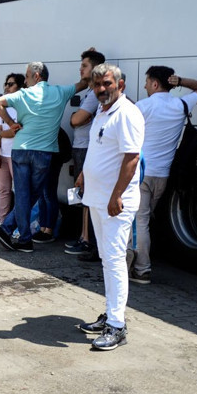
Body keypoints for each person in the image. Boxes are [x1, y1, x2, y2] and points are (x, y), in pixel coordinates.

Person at [75, 63, 145, 351]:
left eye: (107, 84)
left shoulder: (127, 113)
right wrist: (83, 175)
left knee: (115, 260)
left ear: (121, 85)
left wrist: (117, 195)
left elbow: (132, 158)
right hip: (98, 199)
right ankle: (111, 314)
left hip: (115, 203)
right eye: (97, 85)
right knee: (107, 259)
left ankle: (117, 326)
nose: (101, 89)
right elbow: (98, 148)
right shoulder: (103, 112)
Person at [0, 62, 87, 252]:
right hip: (44, 152)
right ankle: (15, 233)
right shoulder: (60, 92)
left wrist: (11, 123)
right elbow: (83, 83)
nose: (24, 81)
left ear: (36, 76)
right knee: (32, 194)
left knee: (24, 194)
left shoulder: (23, 94)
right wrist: (91, 62)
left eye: (26, 77)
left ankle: (15, 233)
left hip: (20, 150)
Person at [130, 66, 197, 284]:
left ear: (155, 84)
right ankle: (137, 259)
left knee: (140, 221)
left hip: (142, 173)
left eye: (147, 82)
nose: (145, 85)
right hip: (163, 176)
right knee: (143, 220)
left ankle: (141, 268)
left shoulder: (142, 106)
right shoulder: (181, 104)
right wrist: (181, 81)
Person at [66, 48, 106, 259]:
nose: (80, 69)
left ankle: (87, 240)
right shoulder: (89, 92)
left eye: (84, 66)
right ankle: (84, 237)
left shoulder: (93, 96)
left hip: (85, 148)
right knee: (81, 195)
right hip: (81, 146)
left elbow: (75, 121)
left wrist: (77, 116)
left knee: (85, 196)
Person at [0, 73, 25, 225]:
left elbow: (13, 132)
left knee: (18, 192)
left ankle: (18, 224)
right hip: (3, 155)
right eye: (6, 83)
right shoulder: (4, 107)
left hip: (15, 155)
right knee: (3, 190)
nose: (6, 86)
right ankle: (2, 222)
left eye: (11, 84)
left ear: (20, 86)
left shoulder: (20, 107)